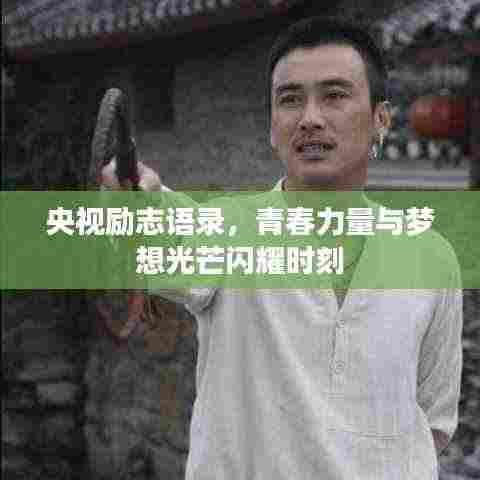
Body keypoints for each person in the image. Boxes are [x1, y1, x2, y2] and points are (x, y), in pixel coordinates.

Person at [101, 17, 463, 480]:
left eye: (334, 95)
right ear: (273, 129)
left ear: (381, 120)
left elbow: (432, 419)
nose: (310, 118)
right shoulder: (229, 231)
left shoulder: (430, 257)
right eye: (290, 100)